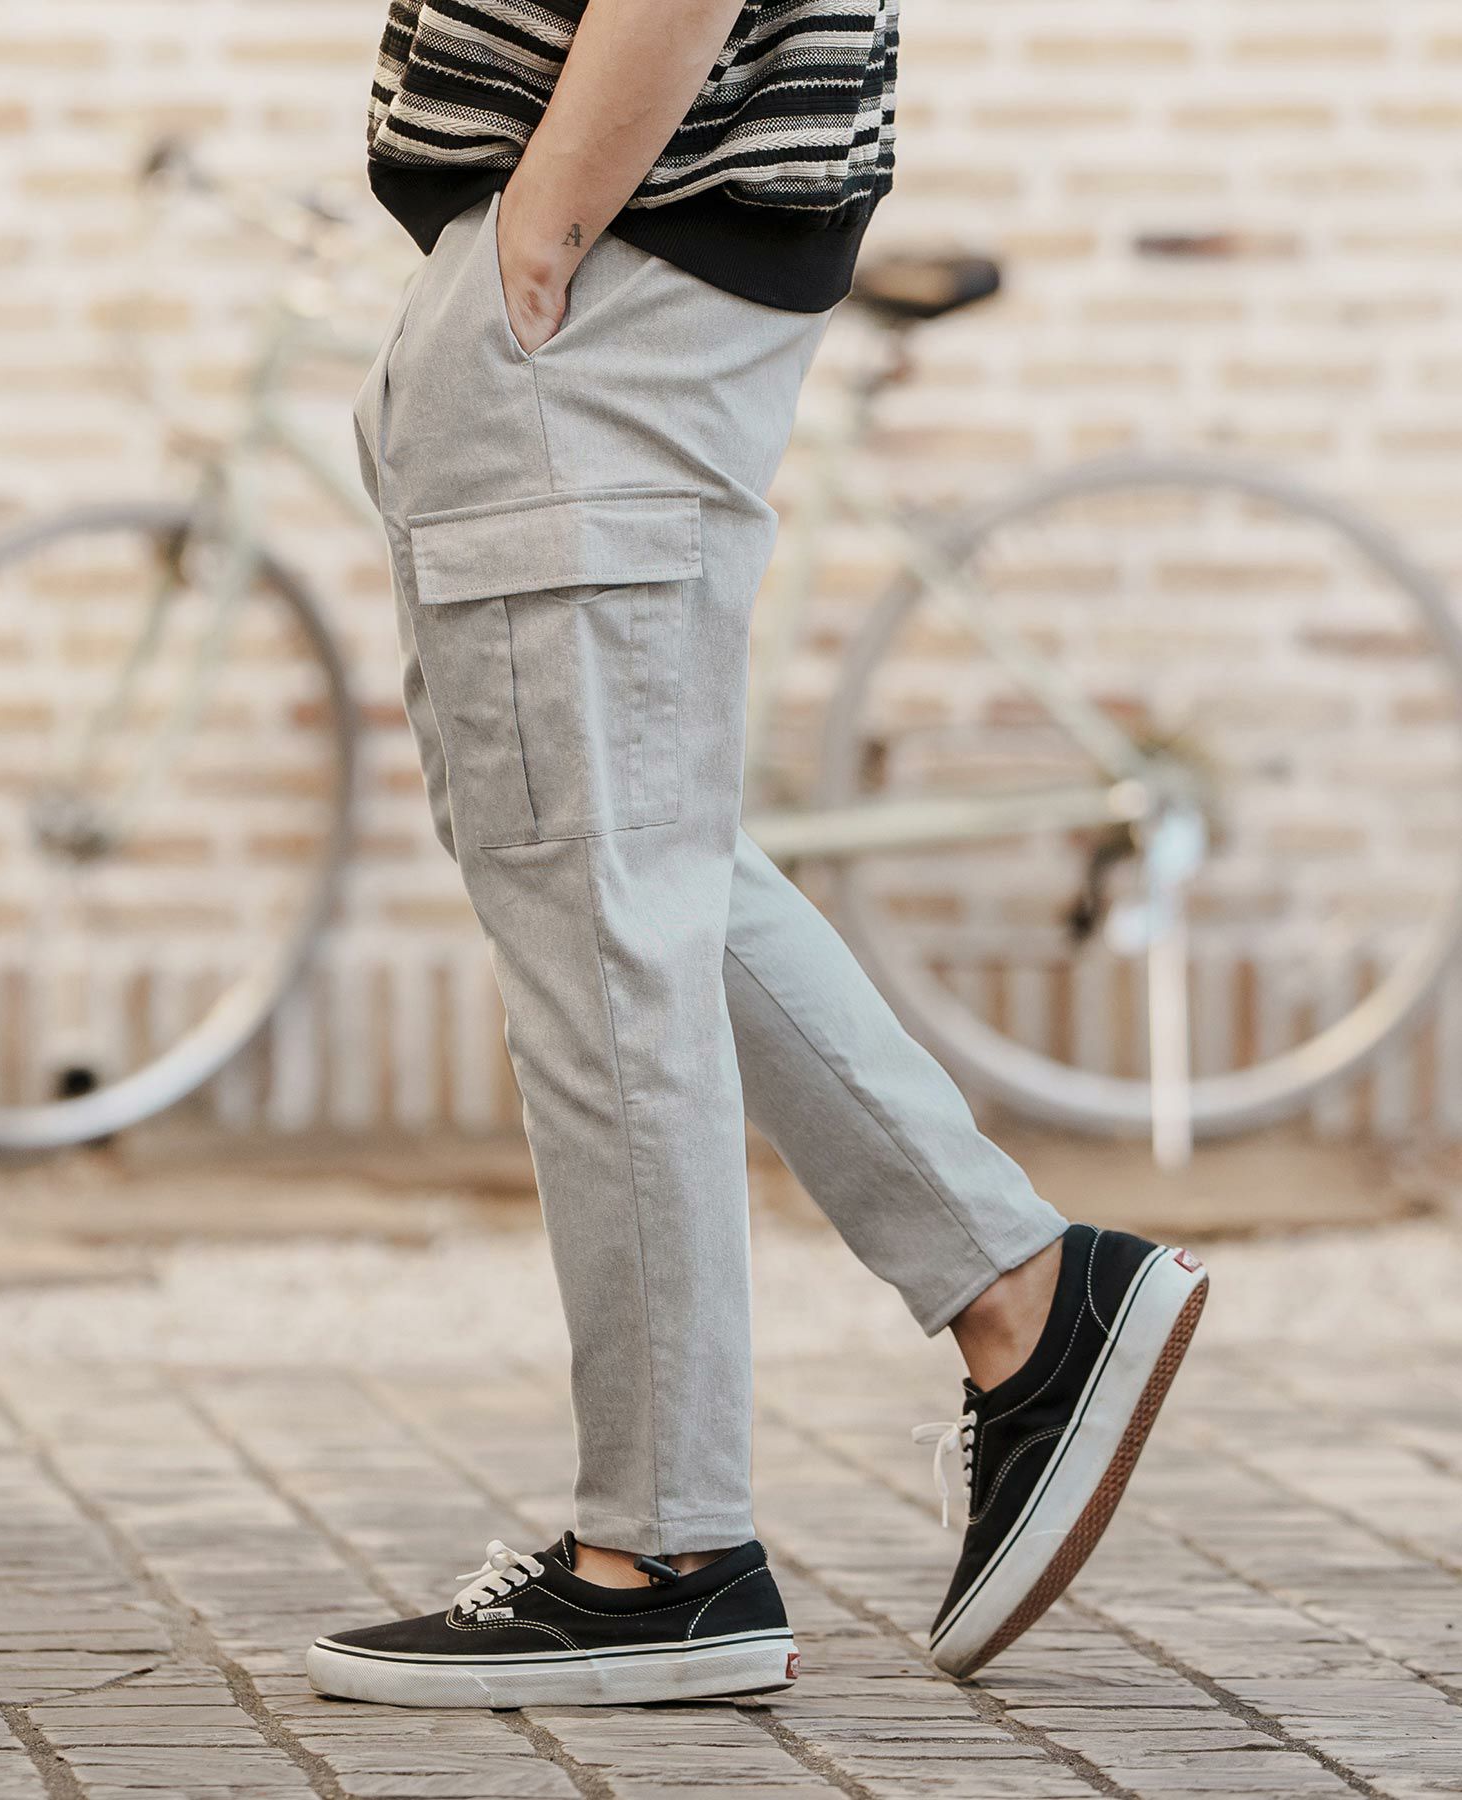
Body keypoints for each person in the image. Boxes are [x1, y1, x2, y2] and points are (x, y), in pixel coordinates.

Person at [307, 0, 1209, 1710]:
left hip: (604, 264)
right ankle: (1024, 1293)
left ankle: (662, 1555)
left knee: (599, 908)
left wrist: (541, 229)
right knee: (627, 868)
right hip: (596, 267)